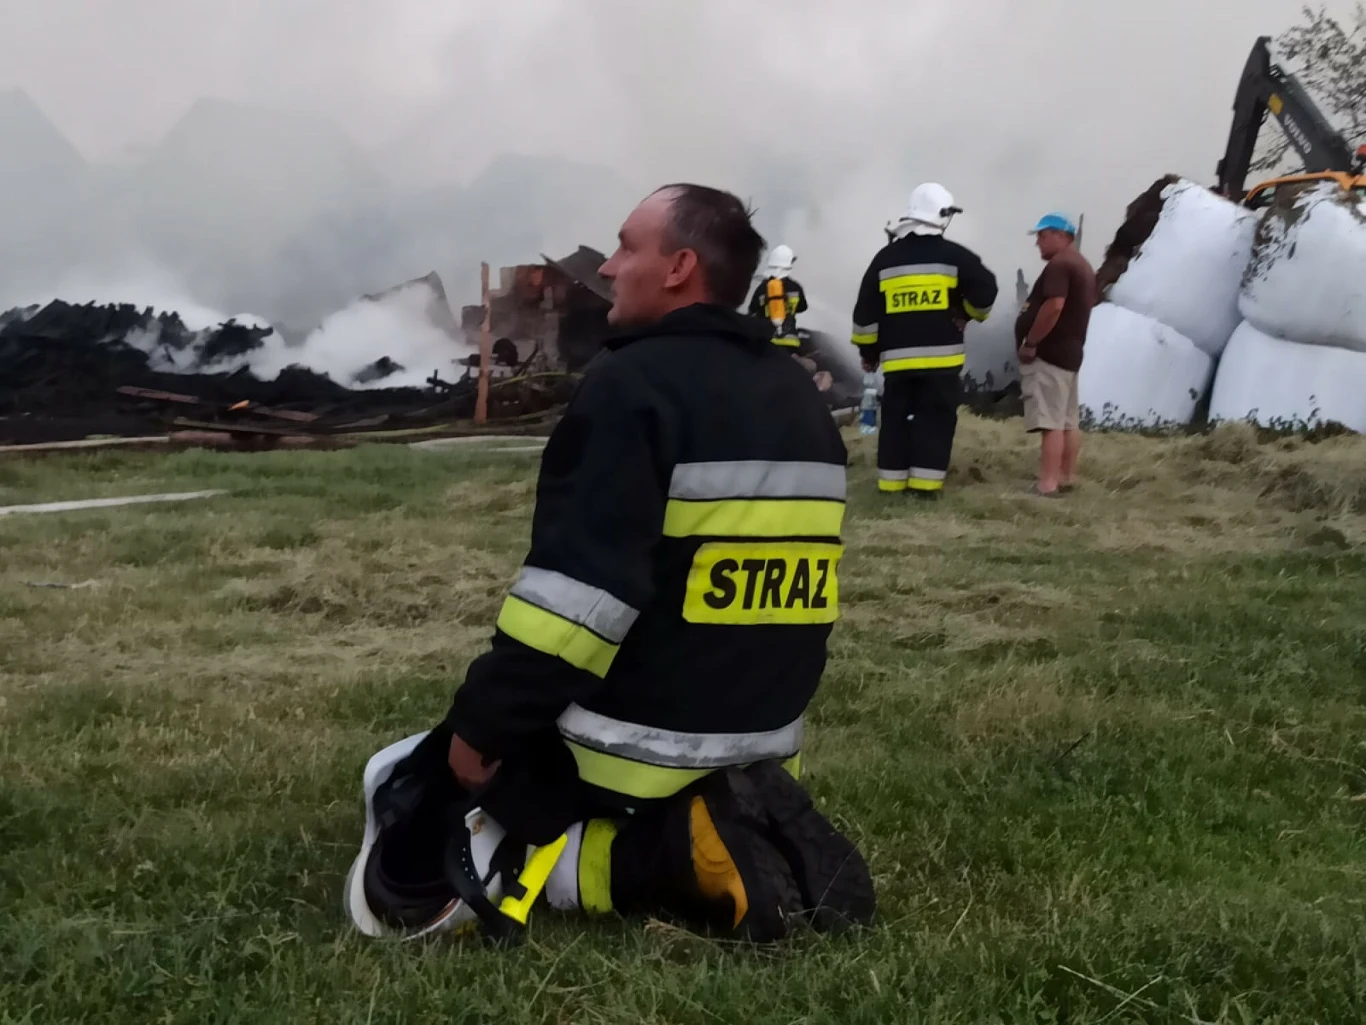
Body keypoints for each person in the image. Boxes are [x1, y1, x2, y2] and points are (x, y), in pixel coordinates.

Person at [344, 184, 874, 947]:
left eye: (629, 246)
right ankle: (717, 816)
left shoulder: (633, 386)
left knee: (402, 796)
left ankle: (657, 856)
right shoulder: (796, 394)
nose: (611, 265)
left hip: (634, 744)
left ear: (680, 267)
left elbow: (575, 604)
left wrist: (483, 726)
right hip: (761, 730)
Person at [851, 182, 998, 498]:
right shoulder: (956, 257)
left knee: (895, 419)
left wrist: (869, 351)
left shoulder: (884, 259)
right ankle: (925, 488)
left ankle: (891, 484)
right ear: (942, 215)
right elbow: (986, 289)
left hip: (898, 362)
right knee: (935, 420)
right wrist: (966, 312)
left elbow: (866, 312)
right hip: (941, 360)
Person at [1015, 213, 1097, 496]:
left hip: (1050, 354)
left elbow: (1054, 307)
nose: (1037, 242)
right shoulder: (1082, 265)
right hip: (1071, 353)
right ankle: (1066, 476)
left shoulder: (1060, 265)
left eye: (1042, 235)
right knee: (1067, 421)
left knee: (1050, 423)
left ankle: (1047, 484)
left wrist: (1031, 342)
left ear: (1061, 235)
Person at [747, 244, 808, 349]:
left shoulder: (763, 287)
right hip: (790, 342)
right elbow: (802, 307)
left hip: (767, 341)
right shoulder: (796, 287)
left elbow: (752, 309)